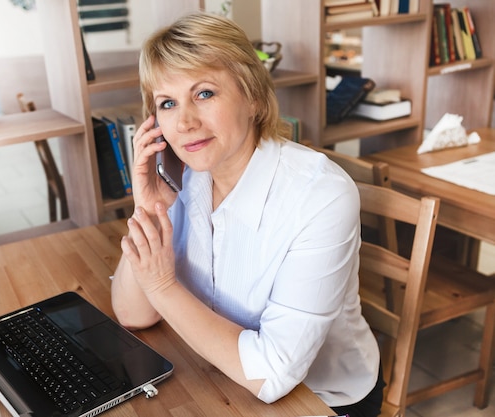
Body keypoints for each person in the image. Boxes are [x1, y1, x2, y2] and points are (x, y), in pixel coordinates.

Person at [110, 12, 383, 417]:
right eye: (168, 103)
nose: (184, 122)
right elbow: (135, 314)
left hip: (318, 400)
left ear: (253, 97)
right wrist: (148, 210)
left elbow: (273, 374)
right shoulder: (184, 178)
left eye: (204, 94)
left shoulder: (320, 196)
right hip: (221, 376)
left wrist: (165, 286)